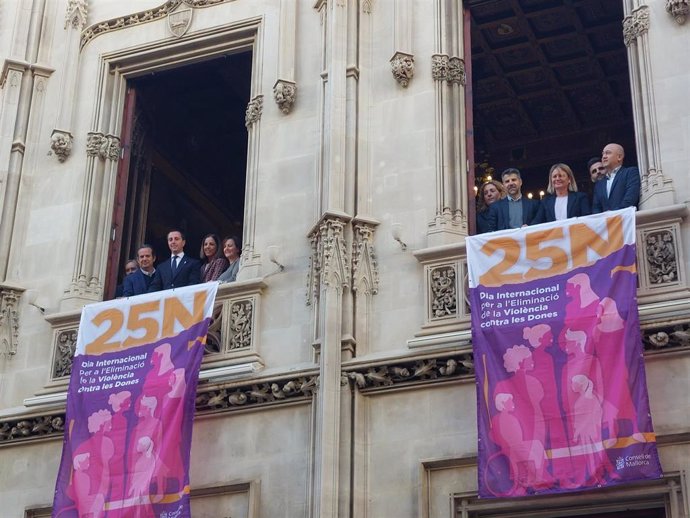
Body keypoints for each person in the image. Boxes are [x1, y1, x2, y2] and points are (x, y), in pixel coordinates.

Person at [591, 143, 641, 213]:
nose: (604, 156)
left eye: (608, 153)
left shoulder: (630, 173)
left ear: (619, 157)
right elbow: (596, 208)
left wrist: (613, 215)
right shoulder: (599, 184)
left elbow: (630, 199)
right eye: (603, 154)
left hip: (626, 219)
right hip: (607, 222)